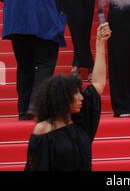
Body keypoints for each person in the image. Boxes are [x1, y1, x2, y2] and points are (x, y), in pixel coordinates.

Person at [25, 23, 111, 171]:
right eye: (76, 94)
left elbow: (98, 82)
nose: (81, 97)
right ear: (62, 98)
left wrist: (100, 43)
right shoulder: (43, 130)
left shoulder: (81, 119)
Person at [0, 0, 67, 120]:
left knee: (24, 66)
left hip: (16, 24)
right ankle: (37, 106)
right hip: (42, 22)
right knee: (45, 64)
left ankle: (23, 110)